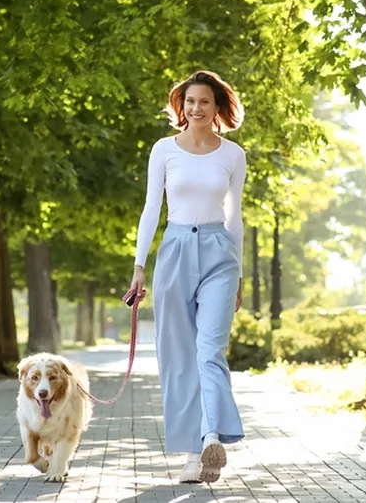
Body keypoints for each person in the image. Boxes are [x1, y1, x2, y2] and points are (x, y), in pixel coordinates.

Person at [127, 70, 246, 484]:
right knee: (178, 357)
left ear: (217, 109)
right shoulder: (163, 150)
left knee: (209, 351)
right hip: (175, 251)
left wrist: (240, 272)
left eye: (204, 102)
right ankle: (193, 456)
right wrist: (139, 266)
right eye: (189, 101)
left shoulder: (232, 155)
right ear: (182, 106)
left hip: (219, 254)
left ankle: (212, 434)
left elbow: (235, 217)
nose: (196, 108)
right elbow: (149, 210)